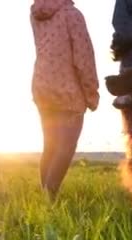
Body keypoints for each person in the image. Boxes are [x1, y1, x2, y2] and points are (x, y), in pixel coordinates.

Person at [30, 0, 99, 200]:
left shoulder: (36, 14)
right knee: (65, 147)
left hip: (42, 85)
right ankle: (49, 198)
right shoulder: (72, 15)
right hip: (68, 90)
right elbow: (84, 57)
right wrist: (91, 93)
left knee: (50, 146)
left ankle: (45, 196)